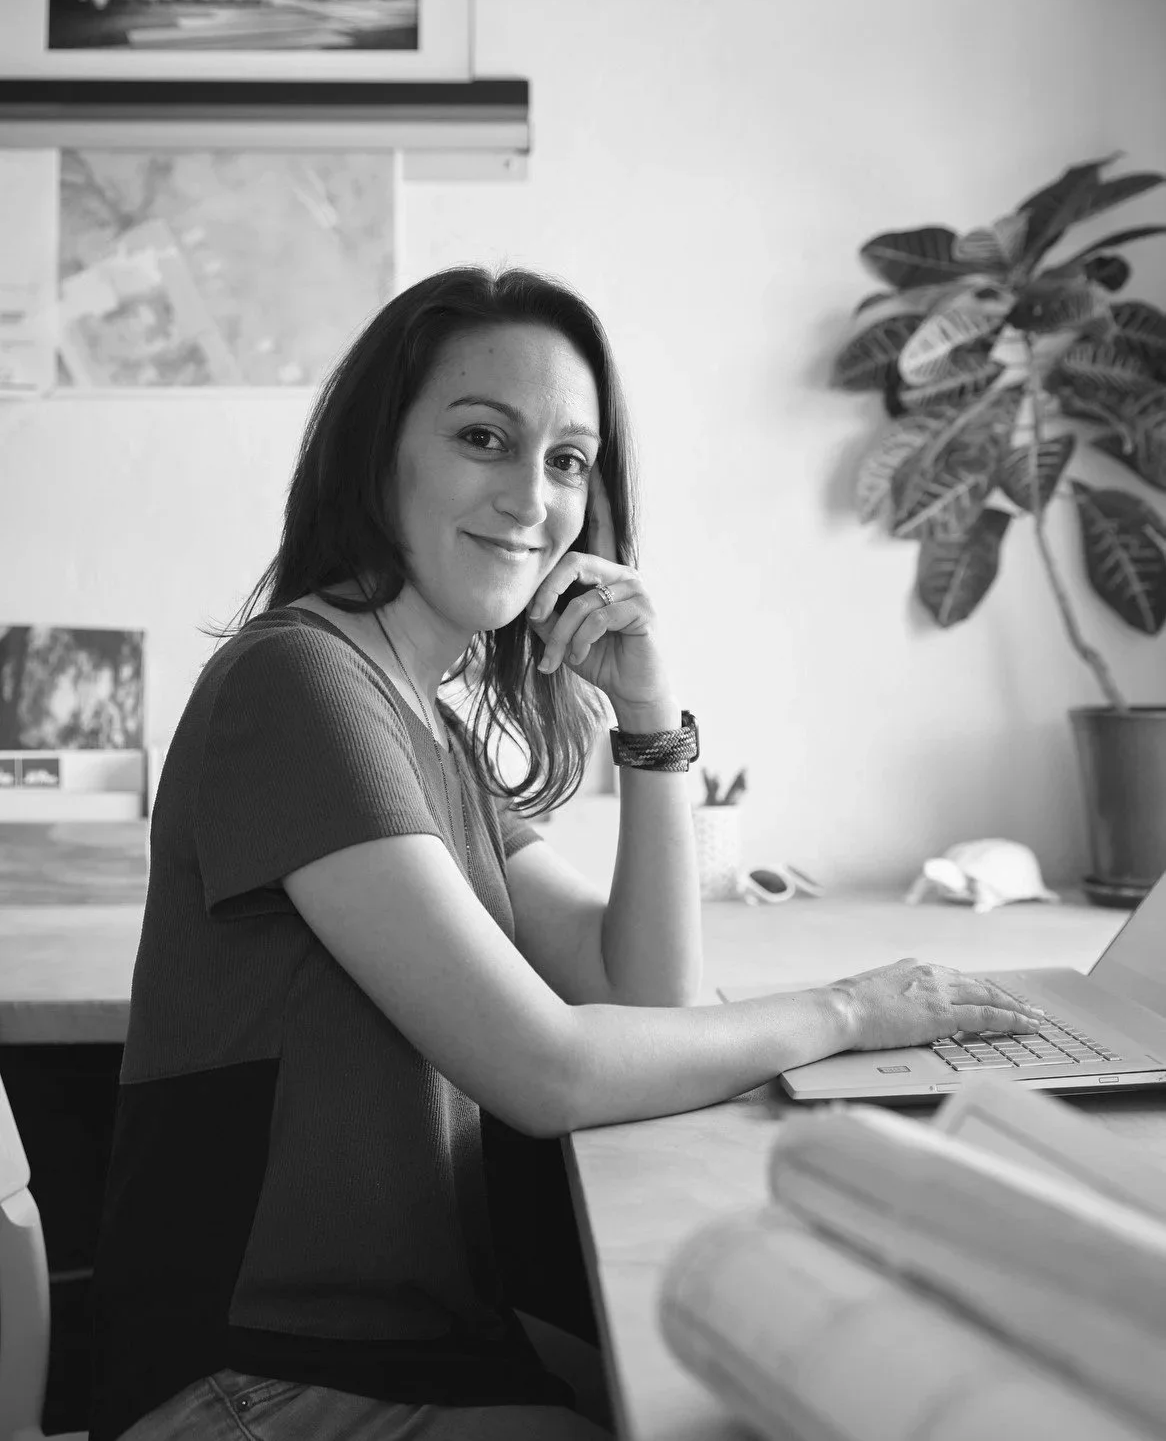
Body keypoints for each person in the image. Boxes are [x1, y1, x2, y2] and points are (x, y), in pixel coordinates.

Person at [89, 266, 1043, 1441]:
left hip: (400, 1355)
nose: (532, 500)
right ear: (377, 453)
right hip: (245, 1386)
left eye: (567, 461)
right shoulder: (296, 687)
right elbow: (549, 1072)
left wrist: (651, 723)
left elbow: (641, 994)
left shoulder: (417, 717)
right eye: (484, 438)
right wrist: (849, 1011)